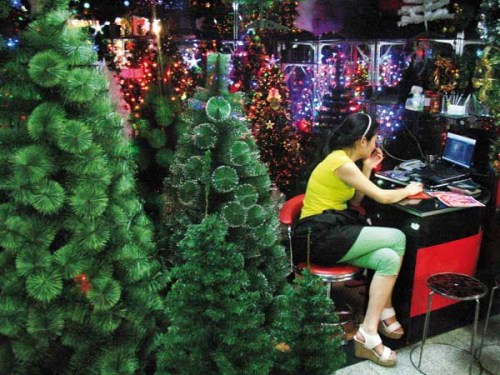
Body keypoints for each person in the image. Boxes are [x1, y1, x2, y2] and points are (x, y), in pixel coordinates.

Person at [292, 112, 423, 367]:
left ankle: (369, 331)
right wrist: (409, 189)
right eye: (374, 139)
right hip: (317, 236)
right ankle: (383, 315)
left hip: (330, 230)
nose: (376, 144)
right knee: (397, 238)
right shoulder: (339, 162)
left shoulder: (346, 162)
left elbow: (354, 203)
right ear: (362, 140)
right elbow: (383, 197)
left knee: (386, 258)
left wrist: (368, 168)